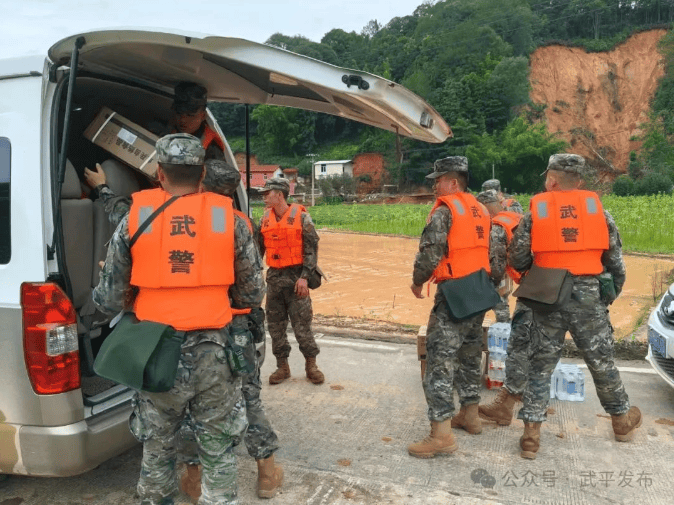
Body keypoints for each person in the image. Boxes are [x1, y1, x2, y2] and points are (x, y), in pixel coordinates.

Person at [85, 159, 283, 500]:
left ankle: (181, 484)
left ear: (162, 175)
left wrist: (135, 288)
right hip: (221, 342)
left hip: (160, 346)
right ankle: (261, 471)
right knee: (226, 431)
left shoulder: (144, 217)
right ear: (202, 178)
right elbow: (252, 293)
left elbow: (109, 296)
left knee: (158, 442)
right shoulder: (237, 223)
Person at [509, 153, 641, 460]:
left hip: (548, 294)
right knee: (601, 361)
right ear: (579, 182)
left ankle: (531, 435)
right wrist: (605, 296)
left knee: (540, 365)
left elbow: (517, 259)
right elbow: (616, 265)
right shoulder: (601, 213)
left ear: (552, 180)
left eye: (547, 177)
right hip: (588, 296)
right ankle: (621, 421)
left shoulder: (533, 214)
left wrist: (539, 274)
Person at [408, 157, 505, 459]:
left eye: (438, 179)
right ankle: (471, 416)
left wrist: (417, 281)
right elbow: (496, 256)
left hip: (453, 296)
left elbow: (430, 252)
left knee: (438, 363)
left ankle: (441, 435)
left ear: (452, 182)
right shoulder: (481, 210)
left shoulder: (445, 211)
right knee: (469, 355)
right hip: (479, 292)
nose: (434, 185)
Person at [256, 177, 324, 385]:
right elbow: (258, 251)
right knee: (275, 325)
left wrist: (304, 277)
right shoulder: (264, 219)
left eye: (268, 193)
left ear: (280, 194)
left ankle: (311, 365)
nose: (265, 197)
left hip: (296, 278)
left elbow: (311, 250)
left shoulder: (303, 218)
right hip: (275, 278)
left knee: (302, 325)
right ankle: (282, 367)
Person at [475, 189, 532, 426]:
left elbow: (497, 265)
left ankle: (515, 396)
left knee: (510, 331)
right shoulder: (519, 216)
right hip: (533, 281)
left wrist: (486, 287)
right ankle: (514, 395)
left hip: (513, 281)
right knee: (525, 337)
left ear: (487, 207)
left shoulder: (497, 226)